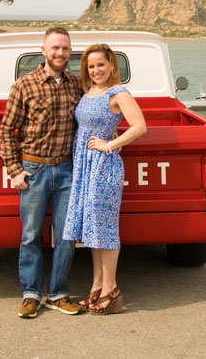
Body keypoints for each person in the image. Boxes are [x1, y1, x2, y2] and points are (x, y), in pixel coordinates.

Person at [0, 27, 84, 318]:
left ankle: (58, 293)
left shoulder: (77, 85)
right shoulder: (25, 85)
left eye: (65, 49)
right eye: (55, 48)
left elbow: (94, 116)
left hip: (67, 168)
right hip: (34, 170)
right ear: (44, 50)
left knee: (66, 235)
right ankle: (31, 294)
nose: (60, 53)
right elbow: (7, 130)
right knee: (30, 235)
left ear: (70, 52)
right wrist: (15, 170)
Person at [63, 43, 147, 315]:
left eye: (101, 64)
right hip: (84, 166)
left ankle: (112, 290)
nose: (96, 70)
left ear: (112, 65)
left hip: (103, 167)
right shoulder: (89, 92)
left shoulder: (118, 92)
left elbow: (139, 125)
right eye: (91, 66)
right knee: (92, 228)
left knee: (105, 228)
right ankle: (97, 284)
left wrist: (110, 144)